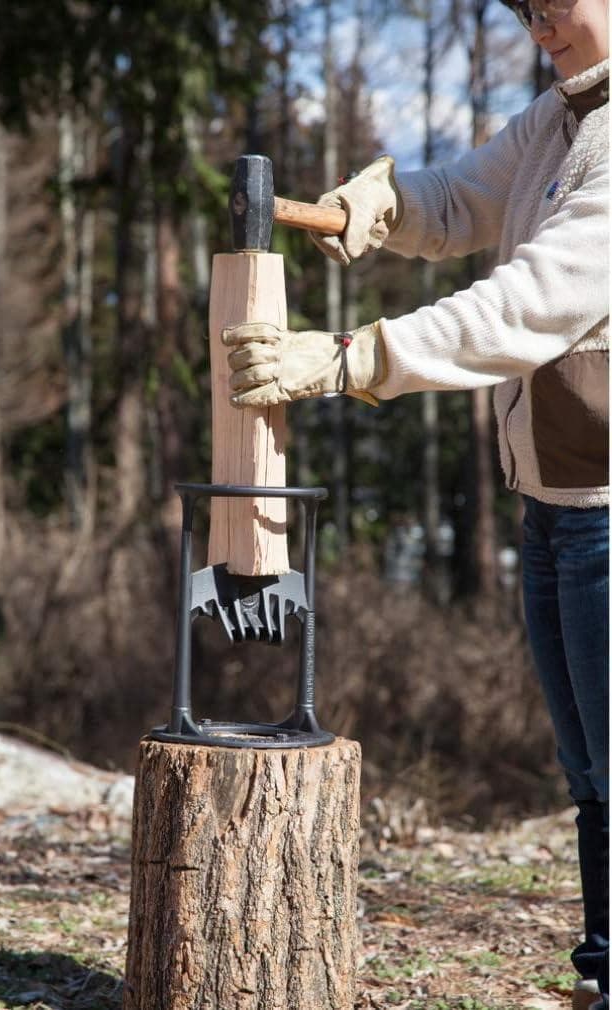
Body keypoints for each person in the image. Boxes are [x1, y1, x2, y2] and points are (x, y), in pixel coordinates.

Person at [222, 0, 609, 1007]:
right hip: (556, 505)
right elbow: (462, 198)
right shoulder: (557, 120)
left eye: (558, 5)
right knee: (591, 772)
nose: (541, 28)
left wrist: (355, 357)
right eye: (526, 10)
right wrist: (386, 201)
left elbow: (527, 306)